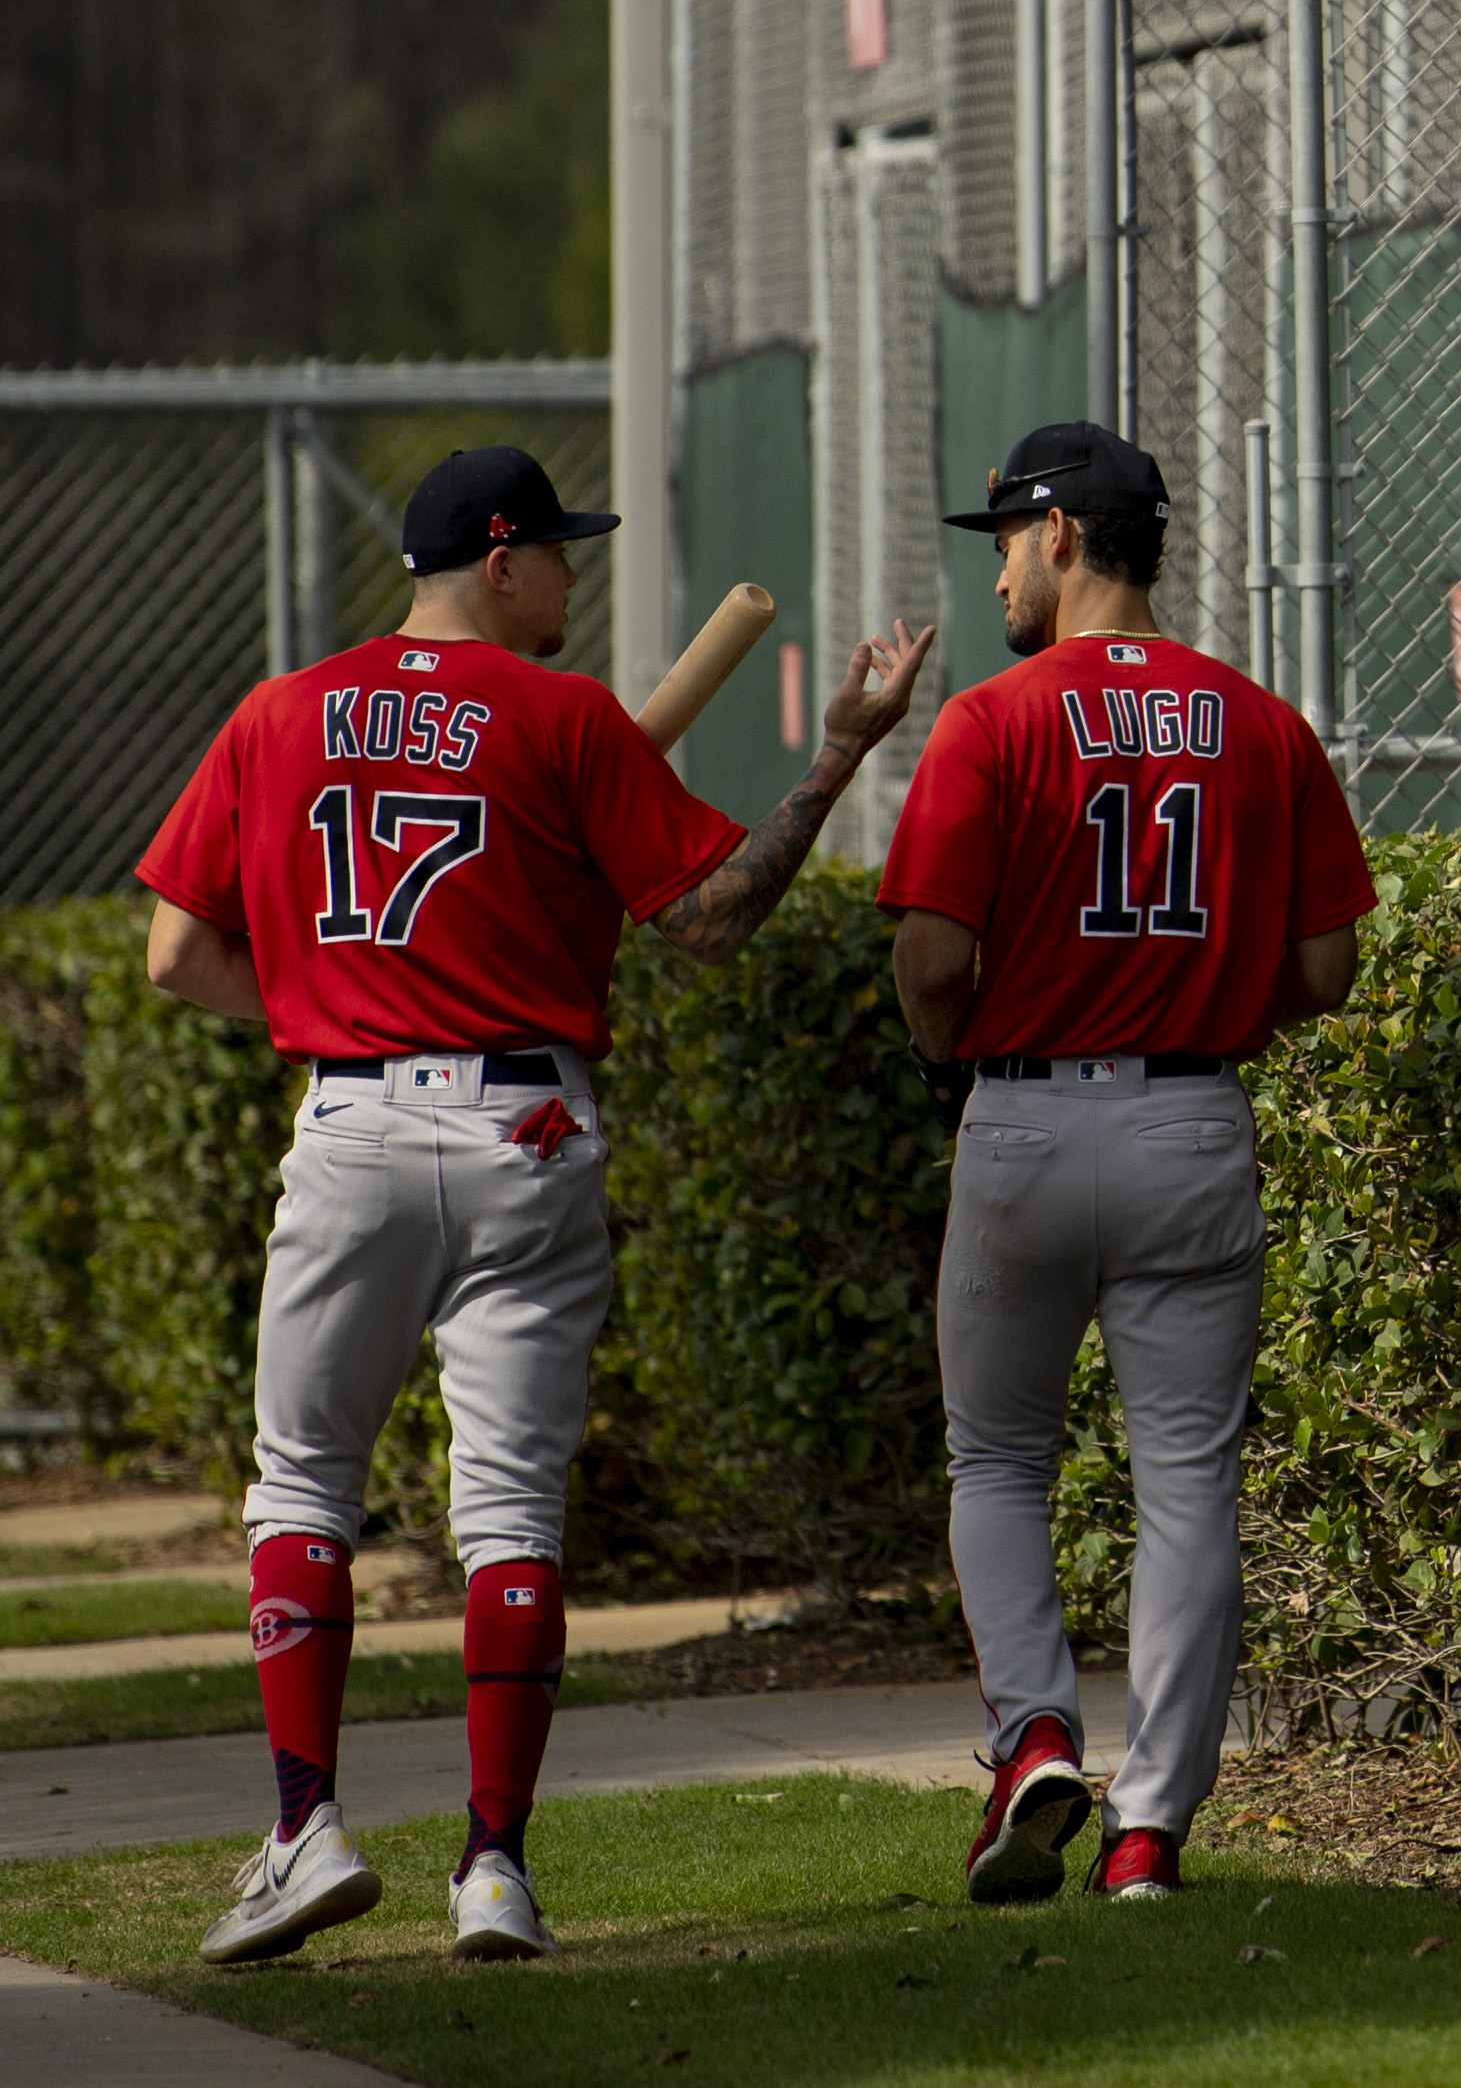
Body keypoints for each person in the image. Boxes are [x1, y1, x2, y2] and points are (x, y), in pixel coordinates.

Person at [139, 442, 931, 1968]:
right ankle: (494, 1867)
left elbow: (175, 959)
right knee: (507, 1510)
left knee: (302, 1486)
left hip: (352, 1112)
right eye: (560, 552)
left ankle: (303, 1833)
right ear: (499, 563)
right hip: (528, 1119)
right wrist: (838, 753)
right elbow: (710, 922)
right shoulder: (562, 717)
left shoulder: (277, 710)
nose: (576, 574)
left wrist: (326, 1007)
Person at [880, 421, 1371, 1904]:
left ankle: (1033, 1736)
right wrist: (1220, 1014)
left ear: (1067, 539)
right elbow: (1329, 963)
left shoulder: (991, 718)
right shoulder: (1260, 721)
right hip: (1188, 1118)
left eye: (1010, 545)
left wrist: (943, 1053)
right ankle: (1150, 1829)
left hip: (1025, 1115)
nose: (1000, 579)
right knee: (1184, 1489)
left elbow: (928, 953)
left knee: (997, 1457)